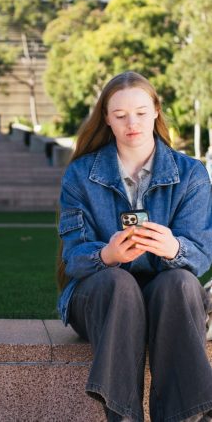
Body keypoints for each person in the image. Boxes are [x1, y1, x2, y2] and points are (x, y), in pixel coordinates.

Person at [57, 71, 212, 422]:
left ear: (156, 111)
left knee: (181, 283)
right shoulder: (81, 175)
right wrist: (106, 255)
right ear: (107, 119)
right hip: (101, 298)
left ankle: (186, 417)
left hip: (169, 300)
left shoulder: (191, 174)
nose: (133, 124)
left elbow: (201, 257)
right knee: (119, 283)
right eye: (121, 115)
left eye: (141, 112)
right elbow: (73, 259)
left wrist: (174, 248)